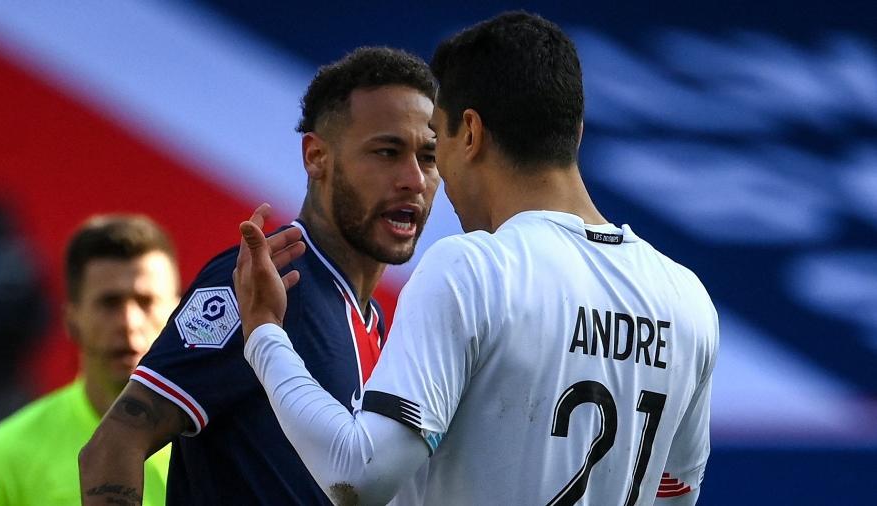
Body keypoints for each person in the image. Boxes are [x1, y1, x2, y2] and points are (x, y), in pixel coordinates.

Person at [236, 11, 719, 506]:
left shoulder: (474, 269)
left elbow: (357, 476)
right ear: (574, 132)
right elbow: (675, 491)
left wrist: (265, 336)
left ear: (469, 132)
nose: (429, 177)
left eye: (434, 143)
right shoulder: (686, 299)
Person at [79, 47, 439, 505]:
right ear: (316, 156)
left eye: (428, 157)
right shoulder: (263, 280)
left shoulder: (375, 323)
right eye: (387, 152)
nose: (414, 179)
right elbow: (114, 443)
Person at [0, 214, 179, 505]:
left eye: (146, 301)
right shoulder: (7, 457)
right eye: (109, 303)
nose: (129, 322)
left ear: (177, 313)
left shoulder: (219, 448)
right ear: (72, 320)